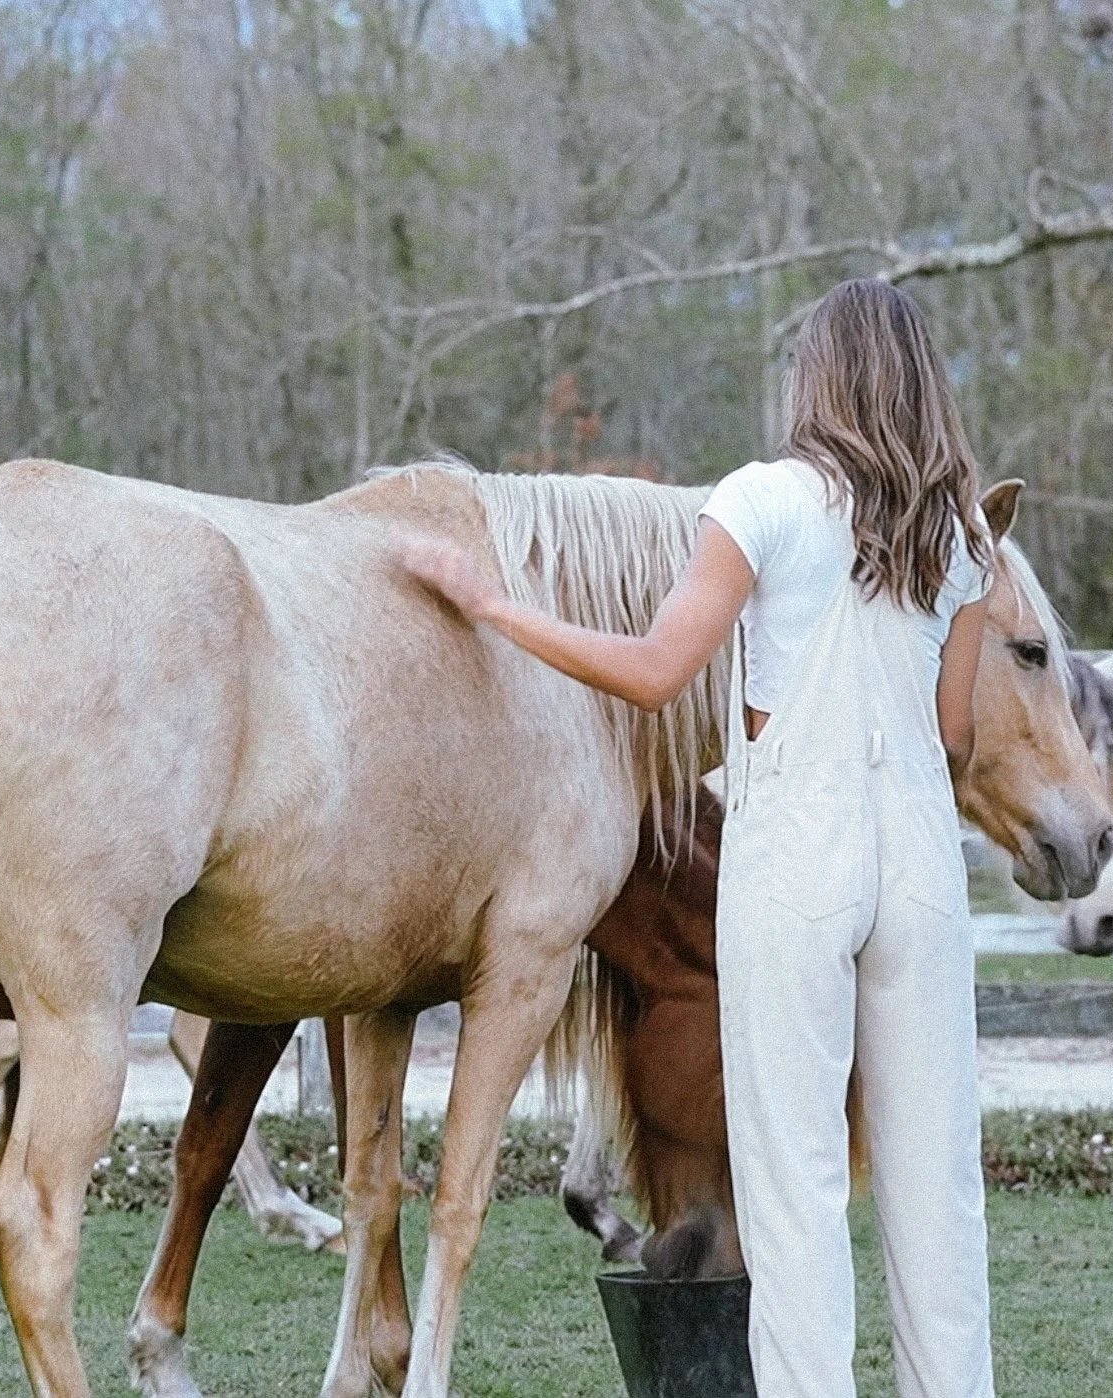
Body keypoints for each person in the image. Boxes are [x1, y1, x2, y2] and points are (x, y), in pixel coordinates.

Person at [401, 278, 996, 1397]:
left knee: (794, 1183)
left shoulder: (762, 501)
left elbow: (655, 671)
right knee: (936, 1181)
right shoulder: (961, 535)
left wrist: (496, 609)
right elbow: (953, 735)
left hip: (797, 851)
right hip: (918, 856)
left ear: (818, 379)